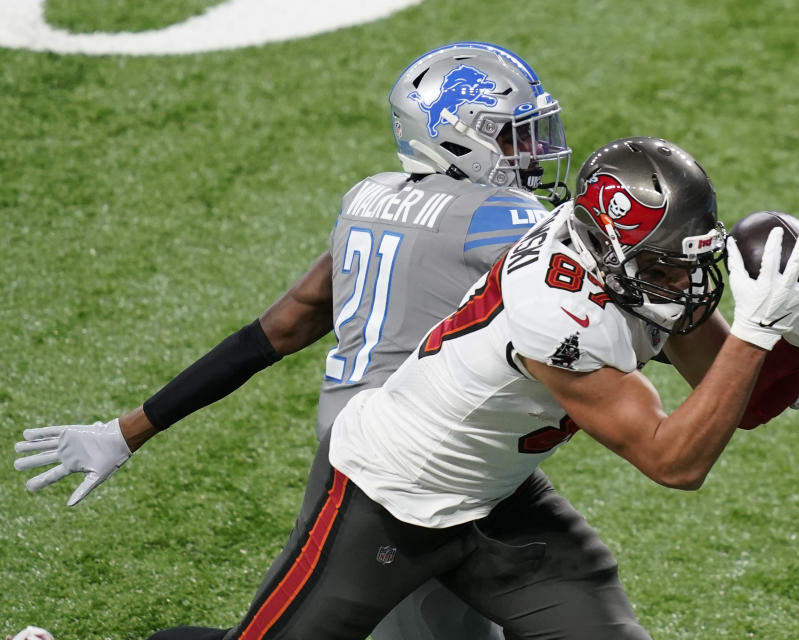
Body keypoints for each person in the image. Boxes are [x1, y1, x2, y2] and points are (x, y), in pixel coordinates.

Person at [77, 135, 799, 639]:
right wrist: (758, 337)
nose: (683, 282)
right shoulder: (556, 313)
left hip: (499, 497)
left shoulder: (623, 263)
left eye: (688, 259)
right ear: (608, 252)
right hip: (386, 499)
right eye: (665, 265)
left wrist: (789, 342)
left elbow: (733, 398)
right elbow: (675, 461)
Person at [13, 42, 574, 640]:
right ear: (456, 137)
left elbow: (278, 329)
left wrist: (128, 431)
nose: (534, 153)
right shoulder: (502, 217)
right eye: (512, 136)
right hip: (406, 466)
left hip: (381, 447)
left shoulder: (370, 199)